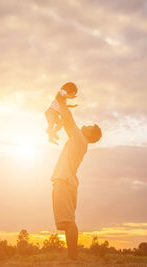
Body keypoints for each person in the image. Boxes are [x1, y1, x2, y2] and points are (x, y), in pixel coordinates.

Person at [50, 89, 102, 260]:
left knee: (69, 222)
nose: (86, 125)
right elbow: (66, 122)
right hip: (67, 182)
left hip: (65, 181)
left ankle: (72, 259)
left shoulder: (80, 139)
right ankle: (71, 258)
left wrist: (61, 98)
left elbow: (69, 120)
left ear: (90, 135)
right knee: (66, 222)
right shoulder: (78, 139)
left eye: (90, 126)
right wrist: (58, 112)